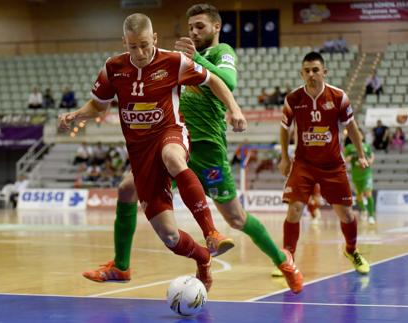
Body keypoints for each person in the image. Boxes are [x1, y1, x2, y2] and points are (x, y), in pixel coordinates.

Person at [80, 5, 302, 294]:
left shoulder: (221, 52)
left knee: (236, 218)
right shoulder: (172, 60)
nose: (194, 32)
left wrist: (197, 60)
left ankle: (283, 262)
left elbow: (228, 82)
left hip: (207, 148)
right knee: (127, 188)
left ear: (216, 27)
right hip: (171, 144)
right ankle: (121, 265)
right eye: (191, 27)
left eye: (200, 26)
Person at [59, 12, 249, 292]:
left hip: (171, 133)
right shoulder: (113, 68)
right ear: (124, 42)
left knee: (172, 157)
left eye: (145, 44)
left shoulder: (173, 62)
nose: (140, 52)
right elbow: (99, 104)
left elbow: (214, 81)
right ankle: (201, 258)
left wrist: (234, 109)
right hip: (141, 153)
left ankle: (211, 233)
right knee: (170, 236)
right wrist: (77, 114)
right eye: (133, 46)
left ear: (155, 39)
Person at [279, 51, 370, 276]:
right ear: (302, 74)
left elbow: (352, 128)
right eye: (307, 71)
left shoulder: (339, 97)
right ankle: (287, 258)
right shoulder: (293, 98)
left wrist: (361, 154)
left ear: (324, 72)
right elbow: (284, 128)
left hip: (333, 165)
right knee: (294, 211)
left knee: (347, 215)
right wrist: (284, 156)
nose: (311, 74)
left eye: (315, 70)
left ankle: (351, 250)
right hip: (303, 164)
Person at [344, 131, 376, 224]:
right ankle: (363, 210)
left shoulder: (366, 146)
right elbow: (345, 160)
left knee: (368, 193)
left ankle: (371, 216)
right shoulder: (349, 147)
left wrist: (370, 161)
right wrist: (349, 158)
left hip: (366, 174)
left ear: (362, 136)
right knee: (359, 196)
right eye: (355, 134)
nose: (358, 135)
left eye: (359, 134)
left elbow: (372, 156)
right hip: (356, 175)